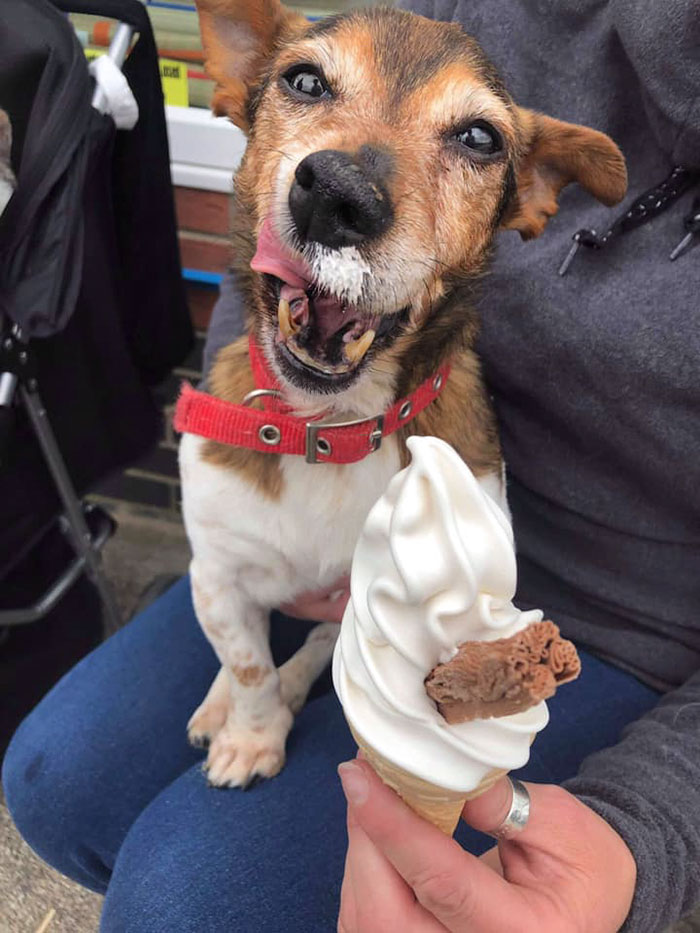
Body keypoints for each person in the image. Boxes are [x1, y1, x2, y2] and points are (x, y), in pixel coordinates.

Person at [3, 0, 700, 930]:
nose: (345, 179)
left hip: (612, 616)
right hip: (292, 485)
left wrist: (645, 835)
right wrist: (260, 686)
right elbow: (266, 234)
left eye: (474, 141)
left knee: (183, 903)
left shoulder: (462, 464)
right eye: (305, 84)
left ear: (532, 193)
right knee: (57, 780)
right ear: (249, 94)